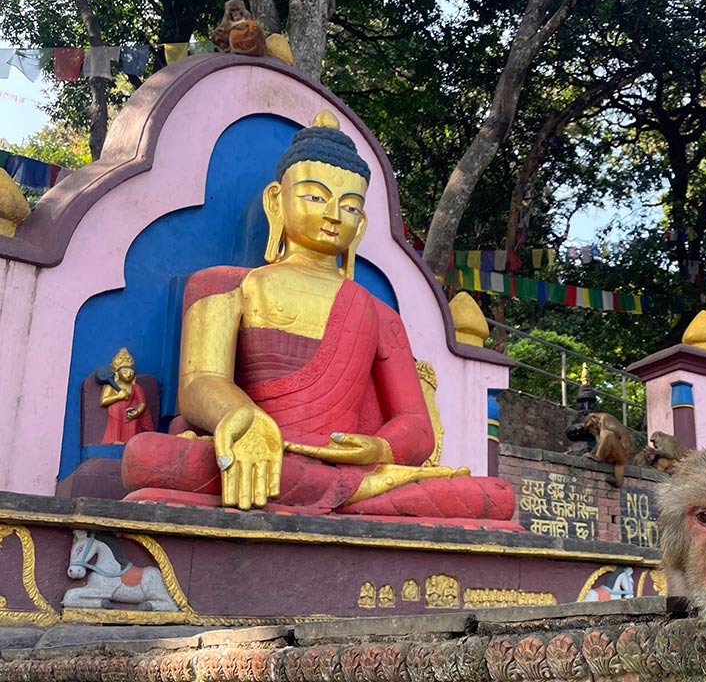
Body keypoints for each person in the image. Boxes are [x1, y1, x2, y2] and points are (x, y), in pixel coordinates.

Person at [121, 112, 513, 520]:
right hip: (257, 448)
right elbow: (200, 382)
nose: (332, 215)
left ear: (359, 224)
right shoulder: (225, 285)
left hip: (335, 465)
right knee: (148, 456)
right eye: (314, 196)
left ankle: (352, 487)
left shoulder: (380, 314)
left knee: (496, 495)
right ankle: (361, 493)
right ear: (277, 201)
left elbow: (416, 425)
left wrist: (378, 449)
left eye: (349, 206)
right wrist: (243, 418)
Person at [99, 348, 154, 445]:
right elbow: (103, 401)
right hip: (115, 413)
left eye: (131, 373)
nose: (128, 375)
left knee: (133, 420)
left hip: (130, 413)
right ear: (117, 374)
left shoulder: (136, 387)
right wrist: (118, 397)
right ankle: (114, 439)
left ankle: (130, 441)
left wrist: (137, 411)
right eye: (124, 372)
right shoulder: (110, 386)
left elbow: (142, 402)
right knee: (116, 412)